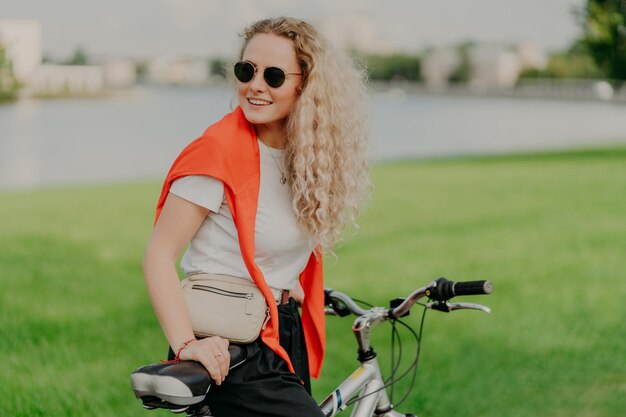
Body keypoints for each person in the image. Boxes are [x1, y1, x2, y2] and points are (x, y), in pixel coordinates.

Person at [142, 16, 369, 417]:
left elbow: (263, 242)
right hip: (228, 346)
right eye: (247, 70)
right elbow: (159, 254)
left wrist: (287, 284)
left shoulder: (305, 158)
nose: (255, 85)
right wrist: (186, 345)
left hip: (280, 330)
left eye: (274, 75)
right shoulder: (217, 152)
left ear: (307, 85)